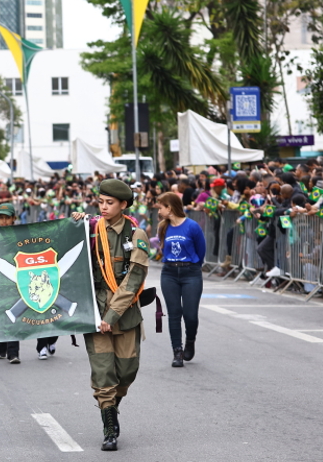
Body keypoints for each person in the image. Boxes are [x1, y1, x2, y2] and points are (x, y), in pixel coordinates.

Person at [71, 179, 149, 452]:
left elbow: (135, 277)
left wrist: (113, 315)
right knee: (104, 374)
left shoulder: (135, 235)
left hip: (125, 314)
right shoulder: (90, 229)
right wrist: (73, 225)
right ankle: (109, 426)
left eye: (109, 203)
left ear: (123, 205)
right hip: (94, 310)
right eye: (100, 202)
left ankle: (112, 407)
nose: (103, 207)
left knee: (127, 372)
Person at [156, 192, 206, 368]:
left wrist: (191, 266)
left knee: (190, 315)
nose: (159, 210)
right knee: (174, 313)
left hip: (190, 272)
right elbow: (163, 249)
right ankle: (177, 351)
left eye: (161, 207)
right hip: (169, 272)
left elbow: (201, 252)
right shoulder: (163, 227)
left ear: (170, 208)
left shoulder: (192, 226)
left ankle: (190, 340)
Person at [0, 203, 22, 364]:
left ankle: (13, 352)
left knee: (12, 314)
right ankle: (1, 348)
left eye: (6, 218)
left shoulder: (20, 234)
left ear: (13, 219)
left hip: (15, 277)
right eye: (0, 218)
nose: (3, 221)